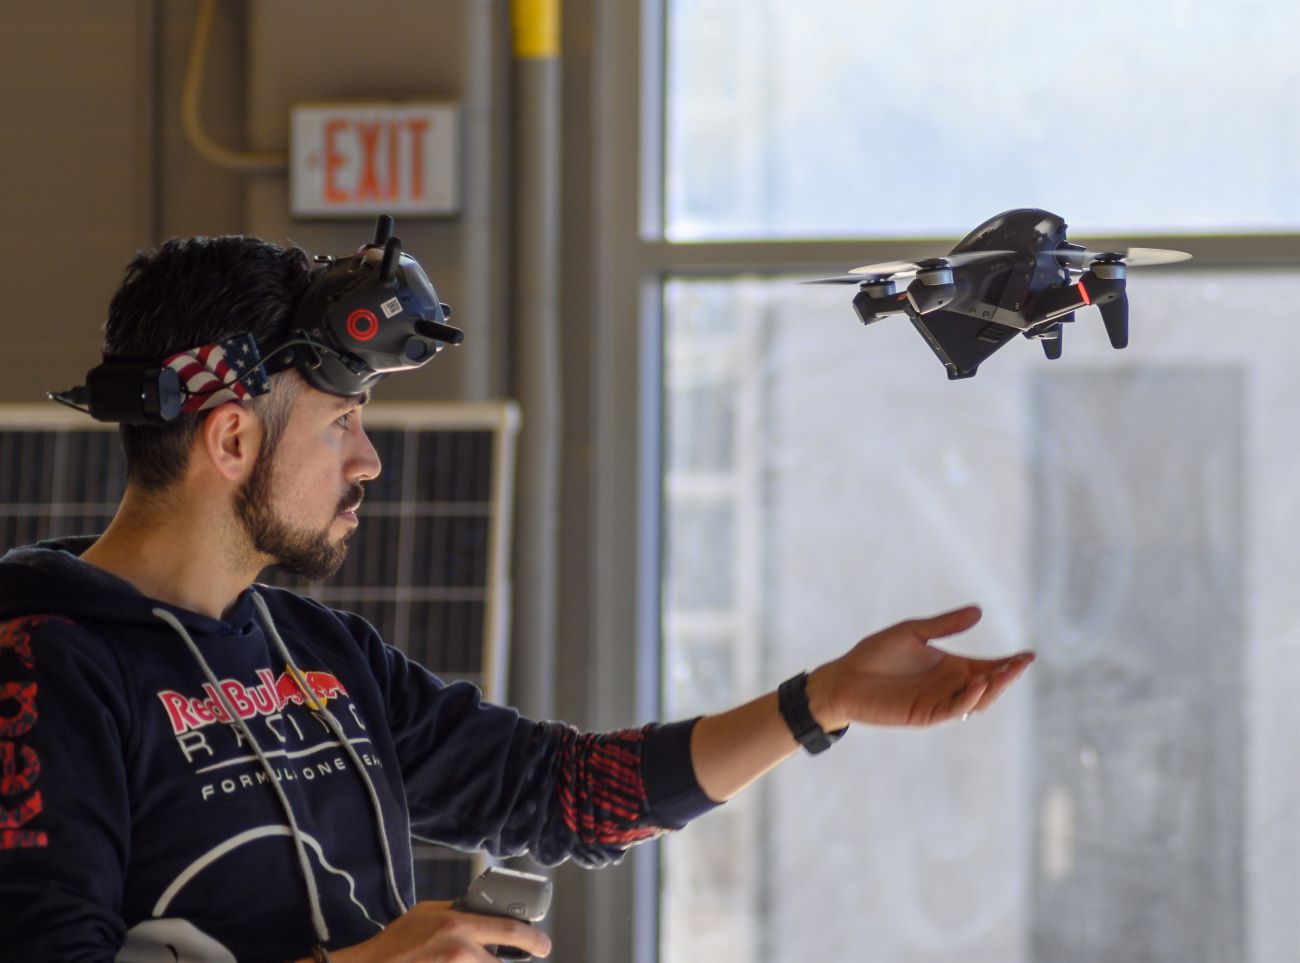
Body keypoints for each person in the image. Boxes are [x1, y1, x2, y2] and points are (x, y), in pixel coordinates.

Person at [0, 231, 1034, 963]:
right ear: (232, 439)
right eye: (339, 422)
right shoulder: (41, 668)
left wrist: (823, 702)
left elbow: (564, 795)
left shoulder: (314, 649)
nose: (367, 461)